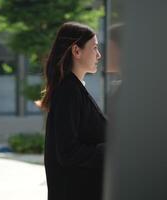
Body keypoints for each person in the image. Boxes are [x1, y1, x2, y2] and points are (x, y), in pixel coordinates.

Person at [41, 22, 106, 200]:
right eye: (94, 48)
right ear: (76, 51)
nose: (99, 55)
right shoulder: (68, 91)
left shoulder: (73, 88)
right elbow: (68, 152)